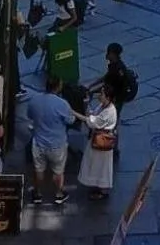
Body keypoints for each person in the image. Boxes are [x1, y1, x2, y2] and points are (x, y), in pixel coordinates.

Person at [26, 76, 89, 207]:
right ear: (58, 87)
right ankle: (59, 194)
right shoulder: (62, 104)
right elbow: (71, 120)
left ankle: (37, 194)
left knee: (39, 170)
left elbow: (30, 115)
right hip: (57, 145)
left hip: (38, 143)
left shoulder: (34, 100)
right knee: (58, 171)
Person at [77, 83, 118, 200]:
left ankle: (101, 189)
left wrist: (76, 114)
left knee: (101, 166)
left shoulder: (109, 111)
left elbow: (92, 122)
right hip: (98, 137)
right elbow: (93, 115)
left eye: (102, 94)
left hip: (102, 139)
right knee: (96, 164)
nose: (100, 96)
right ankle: (97, 186)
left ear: (108, 97)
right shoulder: (103, 106)